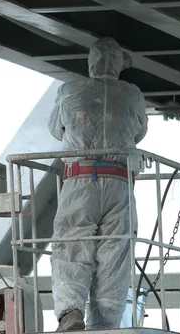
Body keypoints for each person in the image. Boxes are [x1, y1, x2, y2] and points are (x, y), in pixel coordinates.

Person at [48, 37, 148, 331]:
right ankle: (105, 326)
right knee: (115, 258)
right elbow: (139, 131)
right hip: (119, 182)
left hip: (80, 180)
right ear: (118, 64)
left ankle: (70, 314)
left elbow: (56, 129)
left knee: (72, 246)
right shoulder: (132, 94)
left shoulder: (70, 91)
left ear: (91, 62)